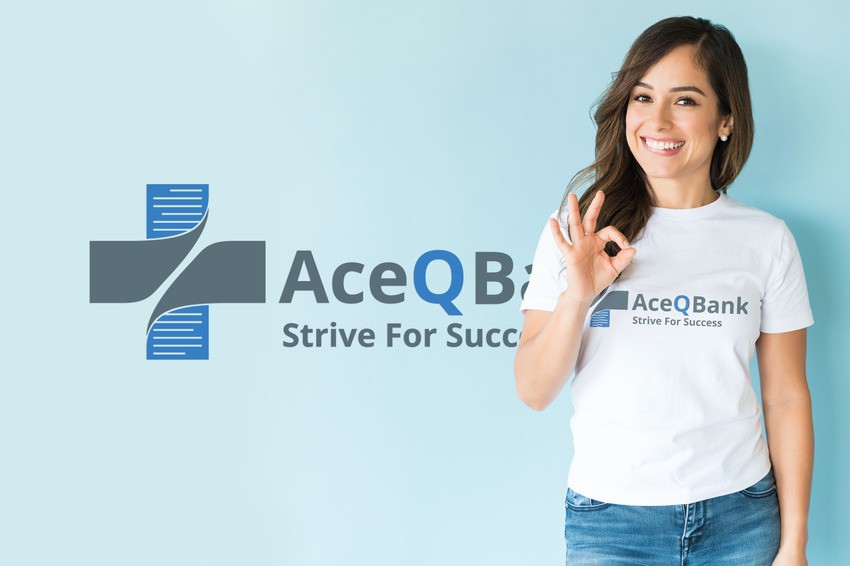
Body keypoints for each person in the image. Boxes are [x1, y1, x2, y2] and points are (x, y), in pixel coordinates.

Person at [514, 16, 813, 566]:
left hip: (741, 515)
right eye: (642, 96)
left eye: (685, 100)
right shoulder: (580, 230)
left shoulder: (767, 240)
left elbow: (787, 396)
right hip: (612, 522)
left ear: (727, 119)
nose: (657, 120)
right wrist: (576, 296)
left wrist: (794, 542)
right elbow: (533, 391)